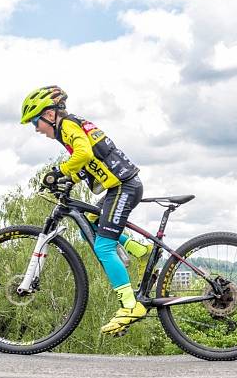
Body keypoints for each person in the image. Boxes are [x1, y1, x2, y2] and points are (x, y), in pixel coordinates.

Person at [20, 85, 150, 336]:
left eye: (36, 122)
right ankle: (141, 250)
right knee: (87, 227)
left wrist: (60, 171)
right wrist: (69, 180)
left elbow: (83, 153)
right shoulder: (71, 127)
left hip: (123, 187)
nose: (36, 129)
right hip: (119, 187)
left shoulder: (68, 126)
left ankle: (130, 306)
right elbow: (88, 163)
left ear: (49, 114)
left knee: (103, 246)